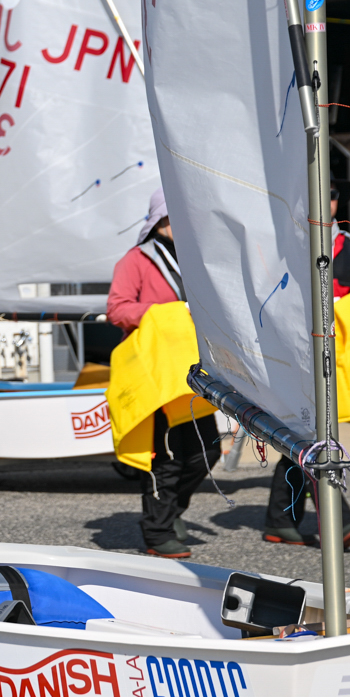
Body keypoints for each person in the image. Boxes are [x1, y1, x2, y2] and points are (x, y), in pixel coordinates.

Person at [107, 187, 218, 560]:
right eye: (174, 217)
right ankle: (157, 532)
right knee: (166, 459)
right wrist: (163, 313)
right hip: (154, 374)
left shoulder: (195, 257)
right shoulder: (136, 260)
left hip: (192, 372)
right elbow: (117, 309)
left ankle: (170, 515)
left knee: (207, 451)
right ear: (159, 220)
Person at [262, 181, 350, 548]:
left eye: (335, 195)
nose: (330, 200)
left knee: (302, 433)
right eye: (323, 193)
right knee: (311, 434)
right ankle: (339, 521)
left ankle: (280, 519)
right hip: (298, 348)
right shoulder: (292, 240)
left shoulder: (346, 244)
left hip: (333, 350)